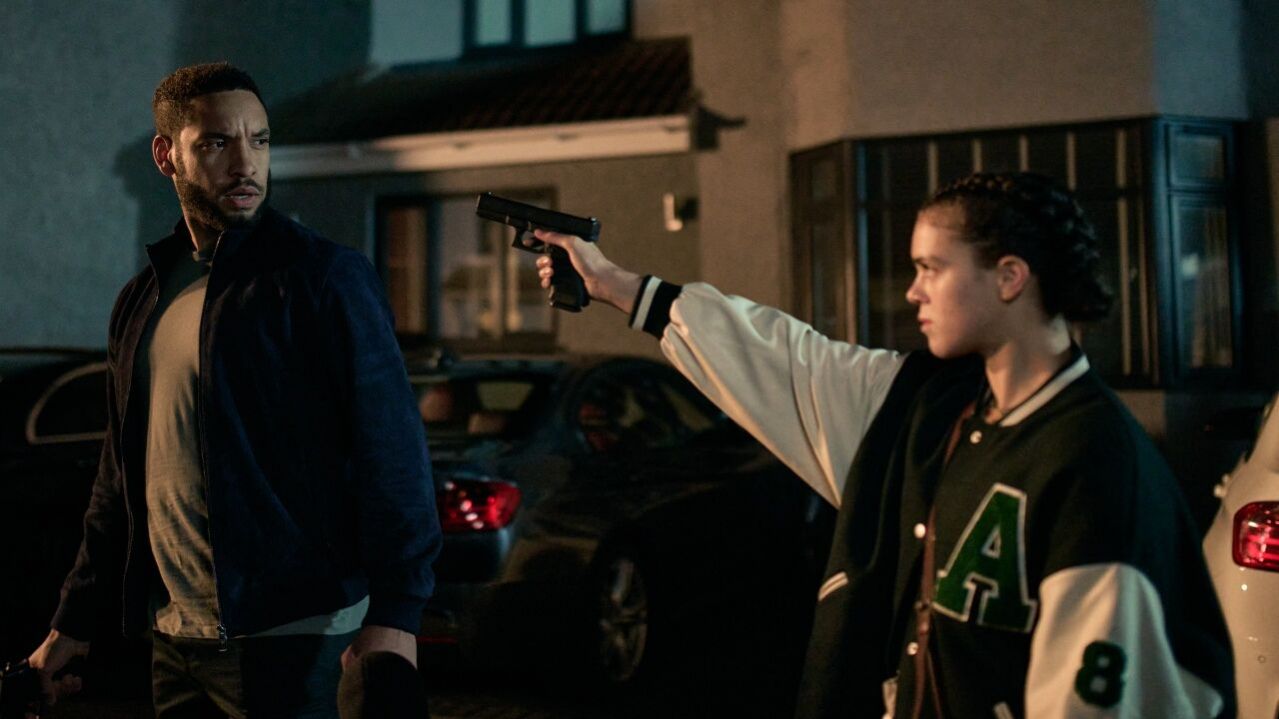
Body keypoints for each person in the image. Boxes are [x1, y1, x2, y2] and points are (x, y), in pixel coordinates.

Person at [532, 172, 1235, 718]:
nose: (912, 292)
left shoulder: (1094, 462)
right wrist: (613, 284)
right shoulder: (935, 411)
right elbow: (790, 362)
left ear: (1009, 277)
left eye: (932, 268)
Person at [26, 62, 441, 718]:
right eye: (218, 142)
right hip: (175, 637)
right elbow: (118, 481)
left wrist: (397, 614)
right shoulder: (143, 299)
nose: (246, 163)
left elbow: (393, 454)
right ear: (167, 155)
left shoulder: (323, 278)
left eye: (260, 140)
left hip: (297, 636)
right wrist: (72, 623)